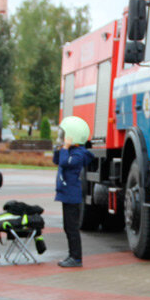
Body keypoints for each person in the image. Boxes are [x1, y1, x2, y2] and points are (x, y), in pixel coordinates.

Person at [52, 115, 94, 268]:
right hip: (66, 194)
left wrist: (64, 149)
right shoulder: (70, 151)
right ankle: (72, 255)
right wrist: (59, 148)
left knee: (72, 228)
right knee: (67, 227)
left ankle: (76, 258)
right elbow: (57, 161)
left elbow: (65, 162)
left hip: (72, 195)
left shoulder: (79, 153)